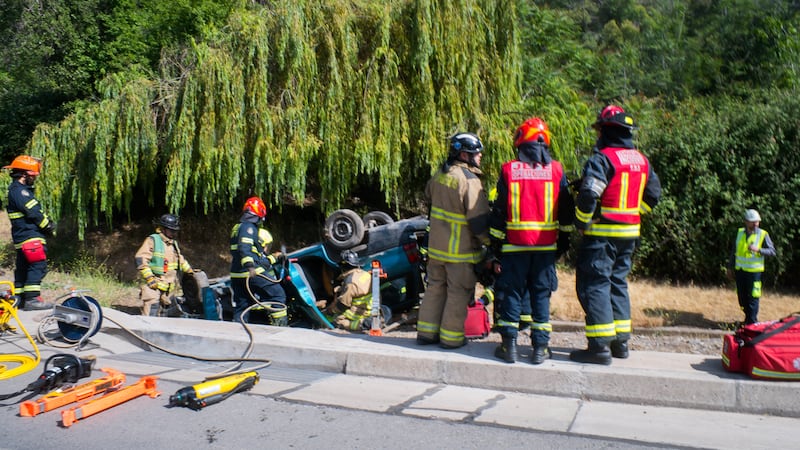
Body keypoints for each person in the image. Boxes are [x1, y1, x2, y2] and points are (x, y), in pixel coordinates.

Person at [571, 105, 662, 365]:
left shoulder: (603, 158)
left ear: (607, 130)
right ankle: (620, 343)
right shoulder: (642, 159)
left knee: (595, 284)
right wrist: (635, 213)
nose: (597, 133)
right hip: (629, 234)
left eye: (599, 128)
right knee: (617, 282)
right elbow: (654, 194)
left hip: (602, 234)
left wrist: (582, 221)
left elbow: (590, 194)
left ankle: (599, 347)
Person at [489, 117, 575, 364]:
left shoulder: (508, 170)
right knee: (540, 294)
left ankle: (509, 346)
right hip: (546, 247)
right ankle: (540, 348)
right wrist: (565, 241)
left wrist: (494, 246)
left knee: (512, 293)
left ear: (520, 142)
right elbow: (567, 210)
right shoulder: (557, 170)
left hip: (513, 246)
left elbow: (499, 213)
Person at [416, 132, 491, 349]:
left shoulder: (439, 174)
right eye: (476, 154)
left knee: (435, 289)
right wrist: (489, 242)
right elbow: (478, 220)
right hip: (460, 252)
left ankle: (427, 334)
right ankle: (451, 338)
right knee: (458, 292)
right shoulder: (470, 181)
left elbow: (428, 196)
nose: (479, 157)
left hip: (436, 250)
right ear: (463, 154)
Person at [114, 214, 193, 316]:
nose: (174, 233)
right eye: (171, 230)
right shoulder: (153, 240)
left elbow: (180, 260)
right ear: (163, 229)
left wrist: (190, 271)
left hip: (168, 288)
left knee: (167, 315)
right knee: (151, 312)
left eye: (175, 231)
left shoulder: (173, 244)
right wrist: (150, 278)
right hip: (153, 286)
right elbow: (141, 259)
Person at [4, 155, 56, 310]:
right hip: (29, 235)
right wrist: (48, 226)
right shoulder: (20, 192)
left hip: (22, 236)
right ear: (23, 175)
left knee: (23, 267)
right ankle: (32, 300)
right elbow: (34, 213)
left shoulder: (16, 191)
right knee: (38, 265)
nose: (34, 180)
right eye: (32, 176)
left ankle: (19, 298)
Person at [229, 196, 287, 325]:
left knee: (242, 305)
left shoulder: (237, 227)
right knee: (278, 295)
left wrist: (273, 258)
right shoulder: (248, 227)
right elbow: (245, 247)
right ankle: (280, 328)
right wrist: (250, 266)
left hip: (236, 274)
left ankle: (238, 333)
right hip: (250, 272)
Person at [727, 209, 776, 325]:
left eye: (757, 222)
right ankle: (747, 319)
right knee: (742, 298)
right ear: (746, 222)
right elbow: (734, 251)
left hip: (754, 273)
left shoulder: (763, 234)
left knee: (753, 299)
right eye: (752, 222)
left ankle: (752, 323)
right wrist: (730, 267)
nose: (755, 224)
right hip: (740, 271)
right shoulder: (739, 233)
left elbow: (772, 251)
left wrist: (758, 250)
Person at [324, 250, 374, 331]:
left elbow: (343, 305)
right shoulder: (365, 273)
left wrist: (330, 311)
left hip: (360, 312)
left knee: (338, 321)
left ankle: (364, 324)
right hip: (372, 308)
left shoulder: (350, 282)